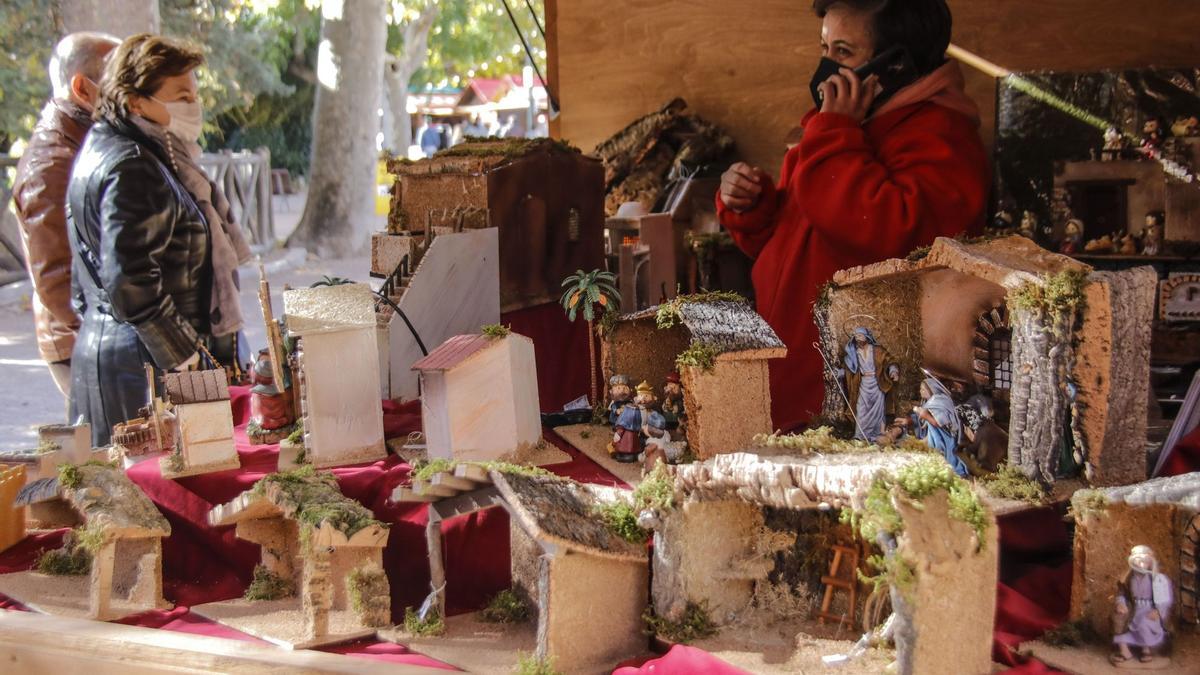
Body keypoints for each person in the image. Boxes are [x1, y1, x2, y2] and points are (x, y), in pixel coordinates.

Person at [716, 0, 988, 432]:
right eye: (823, 48)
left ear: (895, 64)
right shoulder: (841, 125)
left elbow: (886, 235)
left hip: (854, 394)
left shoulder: (943, 137)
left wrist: (833, 134)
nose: (826, 68)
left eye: (843, 52)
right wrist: (753, 207)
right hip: (793, 368)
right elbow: (797, 237)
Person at [67, 34, 215, 447]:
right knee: (149, 498)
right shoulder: (132, 163)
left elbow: (86, 282)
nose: (193, 105)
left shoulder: (107, 147)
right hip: (142, 370)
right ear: (136, 101)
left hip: (112, 354)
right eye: (181, 95)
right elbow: (130, 283)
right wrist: (187, 362)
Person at [11, 32, 120, 403]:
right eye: (119, 77)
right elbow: (56, 278)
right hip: (83, 348)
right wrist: (110, 339)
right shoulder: (52, 162)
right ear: (81, 87)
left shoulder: (87, 138)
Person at [1111, 545, 1173, 665]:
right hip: (1132, 608)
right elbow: (1121, 594)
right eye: (1138, 559)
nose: (1141, 563)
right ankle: (1124, 651)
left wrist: (1158, 611)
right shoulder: (1127, 579)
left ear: (1150, 562)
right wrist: (1121, 604)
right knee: (1118, 620)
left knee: (1144, 622)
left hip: (1149, 609)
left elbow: (1164, 598)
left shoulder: (1157, 579)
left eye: (1145, 560)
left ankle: (1146, 649)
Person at [842, 327, 898, 442]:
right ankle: (859, 435)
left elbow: (889, 360)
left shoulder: (877, 350)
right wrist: (839, 373)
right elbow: (850, 370)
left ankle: (878, 433)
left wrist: (893, 370)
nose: (858, 339)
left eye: (860, 336)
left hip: (877, 384)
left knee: (878, 410)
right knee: (861, 408)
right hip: (864, 384)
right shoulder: (854, 353)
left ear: (867, 337)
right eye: (856, 336)